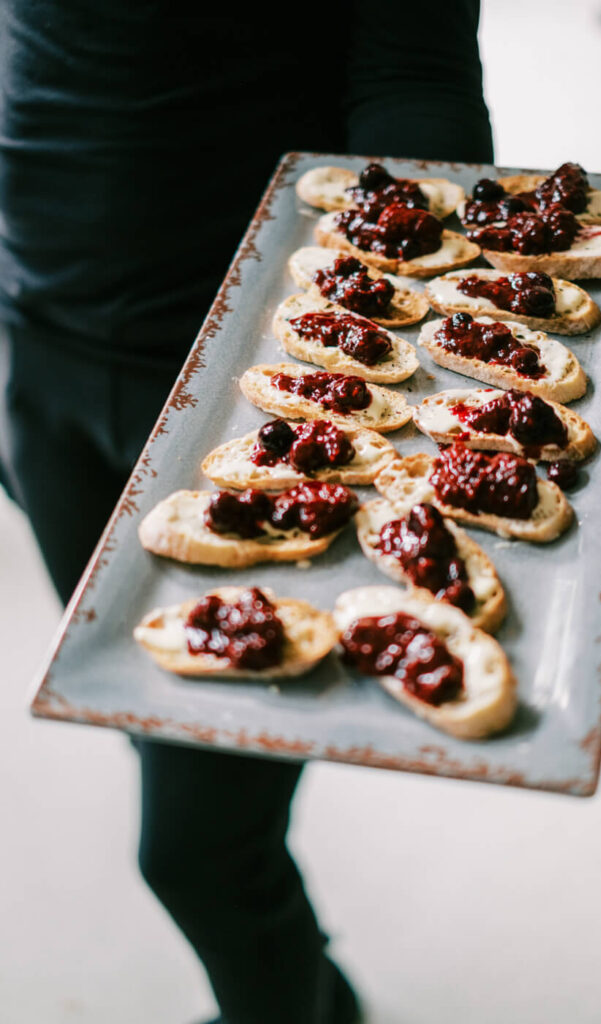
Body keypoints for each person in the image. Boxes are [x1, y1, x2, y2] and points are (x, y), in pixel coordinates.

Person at [0, 5, 493, 1022]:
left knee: (195, 855)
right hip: (36, 355)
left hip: (260, 393)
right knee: (150, 716)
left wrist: (394, 330)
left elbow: (413, 68)